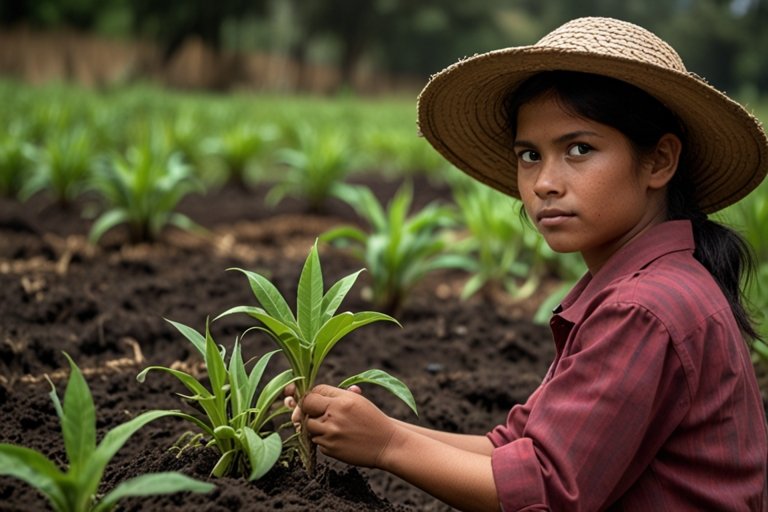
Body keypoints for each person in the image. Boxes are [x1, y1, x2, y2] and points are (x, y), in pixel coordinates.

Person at [285, 17, 768, 511]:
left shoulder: (645, 308)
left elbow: (547, 489)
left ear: (659, 161)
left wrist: (388, 446)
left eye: (579, 149)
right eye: (530, 155)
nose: (544, 183)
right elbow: (515, 451)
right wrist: (370, 426)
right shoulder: (645, 287)